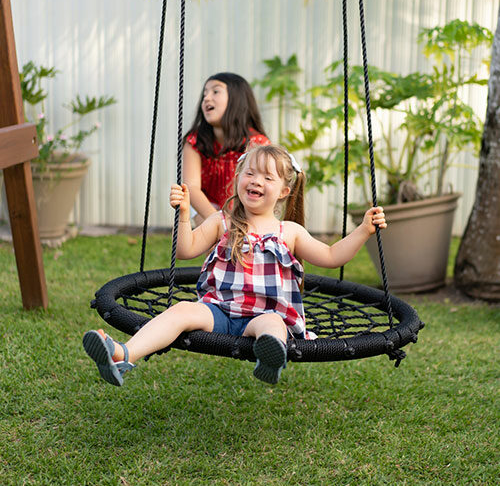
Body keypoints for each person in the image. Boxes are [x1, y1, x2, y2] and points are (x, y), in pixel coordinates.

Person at [83, 144, 387, 386]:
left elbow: (332, 256)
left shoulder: (289, 231)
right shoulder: (221, 221)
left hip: (266, 315)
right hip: (220, 311)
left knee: (271, 327)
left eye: (268, 178)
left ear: (284, 191)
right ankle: (123, 355)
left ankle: (270, 357)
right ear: (239, 177)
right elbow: (186, 250)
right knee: (181, 310)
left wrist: (363, 230)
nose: (256, 181)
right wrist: (185, 213)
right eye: (250, 173)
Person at [183, 72, 270, 224]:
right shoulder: (195, 141)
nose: (207, 98)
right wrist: (220, 223)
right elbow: (192, 187)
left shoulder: (257, 143)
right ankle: (211, 244)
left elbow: (261, 187)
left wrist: (237, 222)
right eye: (205, 93)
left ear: (237, 100)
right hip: (208, 209)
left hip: (246, 208)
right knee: (202, 223)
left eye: (215, 91)